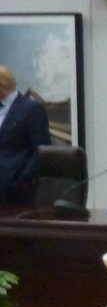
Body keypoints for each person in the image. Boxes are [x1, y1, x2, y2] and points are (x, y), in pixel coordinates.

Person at [0, 64, 51, 207]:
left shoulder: (31, 109)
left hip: (16, 193)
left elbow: (42, 149)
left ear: (1, 85)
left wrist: (21, 181)